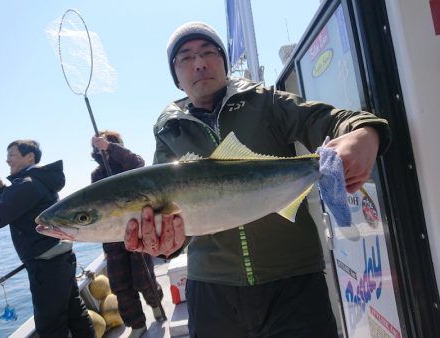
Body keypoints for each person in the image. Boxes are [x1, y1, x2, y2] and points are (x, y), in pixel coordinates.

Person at [124, 22, 392, 338]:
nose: (199, 63)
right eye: (185, 58)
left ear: (223, 61)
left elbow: (330, 120)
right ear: (176, 77)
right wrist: (166, 246)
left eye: (208, 52)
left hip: (294, 281)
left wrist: (365, 132)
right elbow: (170, 216)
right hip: (212, 291)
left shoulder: (266, 101)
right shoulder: (168, 131)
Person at [0, 140, 94, 338]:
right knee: (75, 313)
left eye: (12, 154)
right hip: (61, 259)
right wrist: (1, 188)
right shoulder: (38, 181)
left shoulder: (26, 184)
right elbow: (19, 208)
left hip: (45, 266)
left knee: (51, 326)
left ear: (29, 157)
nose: (7, 160)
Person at [91, 130, 164, 338]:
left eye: (108, 143)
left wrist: (110, 148)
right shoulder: (97, 174)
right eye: (98, 145)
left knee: (144, 279)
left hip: (137, 232)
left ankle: (156, 305)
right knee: (120, 286)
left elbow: (138, 163)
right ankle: (137, 324)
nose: (101, 147)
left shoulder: (128, 164)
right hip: (113, 240)